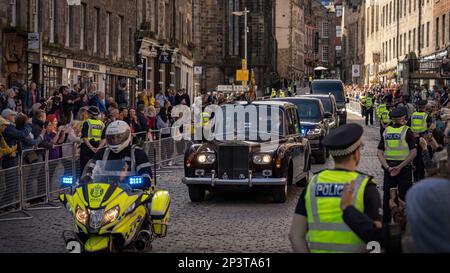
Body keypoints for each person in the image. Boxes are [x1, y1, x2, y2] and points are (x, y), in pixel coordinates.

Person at [289, 124, 382, 253]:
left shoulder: (314, 183)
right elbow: (376, 240)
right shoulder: (366, 186)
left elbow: (295, 235)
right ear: (355, 154)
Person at [82, 120, 154, 191]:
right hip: (104, 192)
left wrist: (142, 180)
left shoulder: (137, 152)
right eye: (112, 138)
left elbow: (146, 175)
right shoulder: (102, 152)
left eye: (119, 137)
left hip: (131, 193)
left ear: (127, 135)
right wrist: (86, 178)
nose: (115, 140)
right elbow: (90, 168)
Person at [377, 107, 417, 224]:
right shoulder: (407, 131)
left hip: (389, 169)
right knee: (404, 198)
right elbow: (413, 152)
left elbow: (379, 153)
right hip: (404, 169)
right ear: (404, 117)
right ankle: (403, 224)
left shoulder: (387, 131)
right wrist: (400, 167)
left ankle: (386, 225)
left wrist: (388, 168)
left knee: (388, 198)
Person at [408, 100, 432, 182]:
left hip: (413, 139)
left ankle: (415, 177)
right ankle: (421, 177)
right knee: (421, 159)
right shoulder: (426, 116)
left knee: (414, 158)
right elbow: (430, 128)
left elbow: (408, 126)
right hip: (422, 139)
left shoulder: (413, 115)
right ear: (425, 107)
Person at [79, 106, 106, 176]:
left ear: (89, 114)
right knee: (95, 169)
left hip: (87, 149)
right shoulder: (102, 124)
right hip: (98, 148)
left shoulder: (86, 122)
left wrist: (91, 148)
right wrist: (98, 148)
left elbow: (85, 138)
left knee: (84, 169)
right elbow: (104, 139)